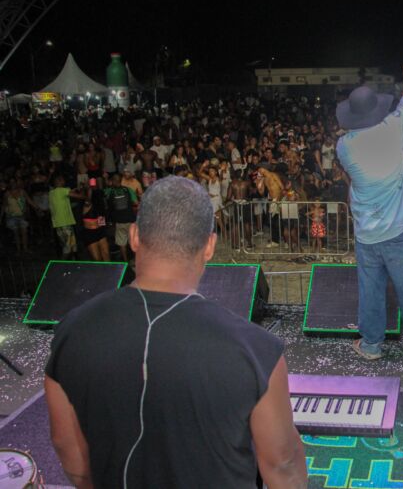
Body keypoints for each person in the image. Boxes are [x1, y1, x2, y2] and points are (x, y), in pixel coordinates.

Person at [44, 176, 306, 488]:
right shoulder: (256, 350)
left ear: (135, 237)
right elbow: (283, 467)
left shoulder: (72, 331)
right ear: (209, 246)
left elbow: (71, 454)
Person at [336, 64, 403, 360]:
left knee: (370, 291)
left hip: (366, 233)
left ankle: (371, 345)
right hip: (397, 230)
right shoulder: (392, 130)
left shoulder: (343, 146)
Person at [48, 175, 84, 259]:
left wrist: (75, 189)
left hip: (58, 224)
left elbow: (67, 193)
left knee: (71, 246)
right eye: (63, 180)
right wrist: (86, 196)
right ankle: (59, 266)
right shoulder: (63, 190)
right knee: (68, 248)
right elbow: (80, 196)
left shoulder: (51, 193)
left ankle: (72, 264)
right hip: (65, 223)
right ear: (60, 182)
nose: (64, 181)